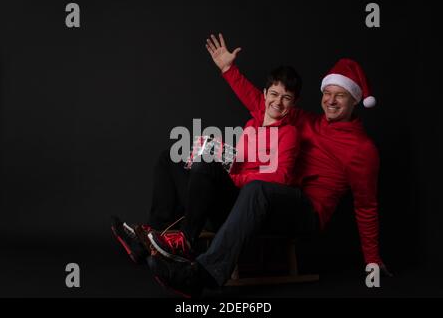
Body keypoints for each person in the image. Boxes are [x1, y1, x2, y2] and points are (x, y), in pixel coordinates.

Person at [146, 33, 391, 298]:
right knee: (172, 157)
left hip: (304, 212)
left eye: (340, 96)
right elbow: (263, 104)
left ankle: (203, 275)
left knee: (257, 188)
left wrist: (372, 260)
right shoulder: (307, 121)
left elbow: (366, 206)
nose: (331, 101)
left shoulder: (363, 150)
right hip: (269, 198)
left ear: (355, 100)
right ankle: (155, 240)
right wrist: (229, 70)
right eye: (327, 93)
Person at [111, 43, 303, 269]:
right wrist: (215, 157)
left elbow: (281, 177)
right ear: (265, 94)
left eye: (286, 97)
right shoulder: (253, 122)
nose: (278, 102)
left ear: (293, 103)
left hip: (241, 207)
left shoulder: (289, 134)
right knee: (170, 158)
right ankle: (151, 235)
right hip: (220, 196)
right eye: (274, 94)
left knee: (208, 165)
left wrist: (232, 177)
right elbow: (238, 159)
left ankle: (187, 241)